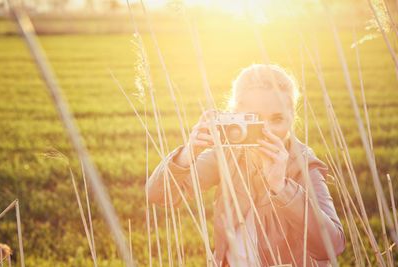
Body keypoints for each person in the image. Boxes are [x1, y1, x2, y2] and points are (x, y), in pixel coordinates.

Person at [146, 64, 345, 266]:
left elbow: (332, 245)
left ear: (292, 118)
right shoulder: (227, 155)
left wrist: (282, 188)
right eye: (255, 120)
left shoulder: (303, 164)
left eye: (277, 119)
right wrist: (187, 154)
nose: (265, 131)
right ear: (235, 116)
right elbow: (158, 194)